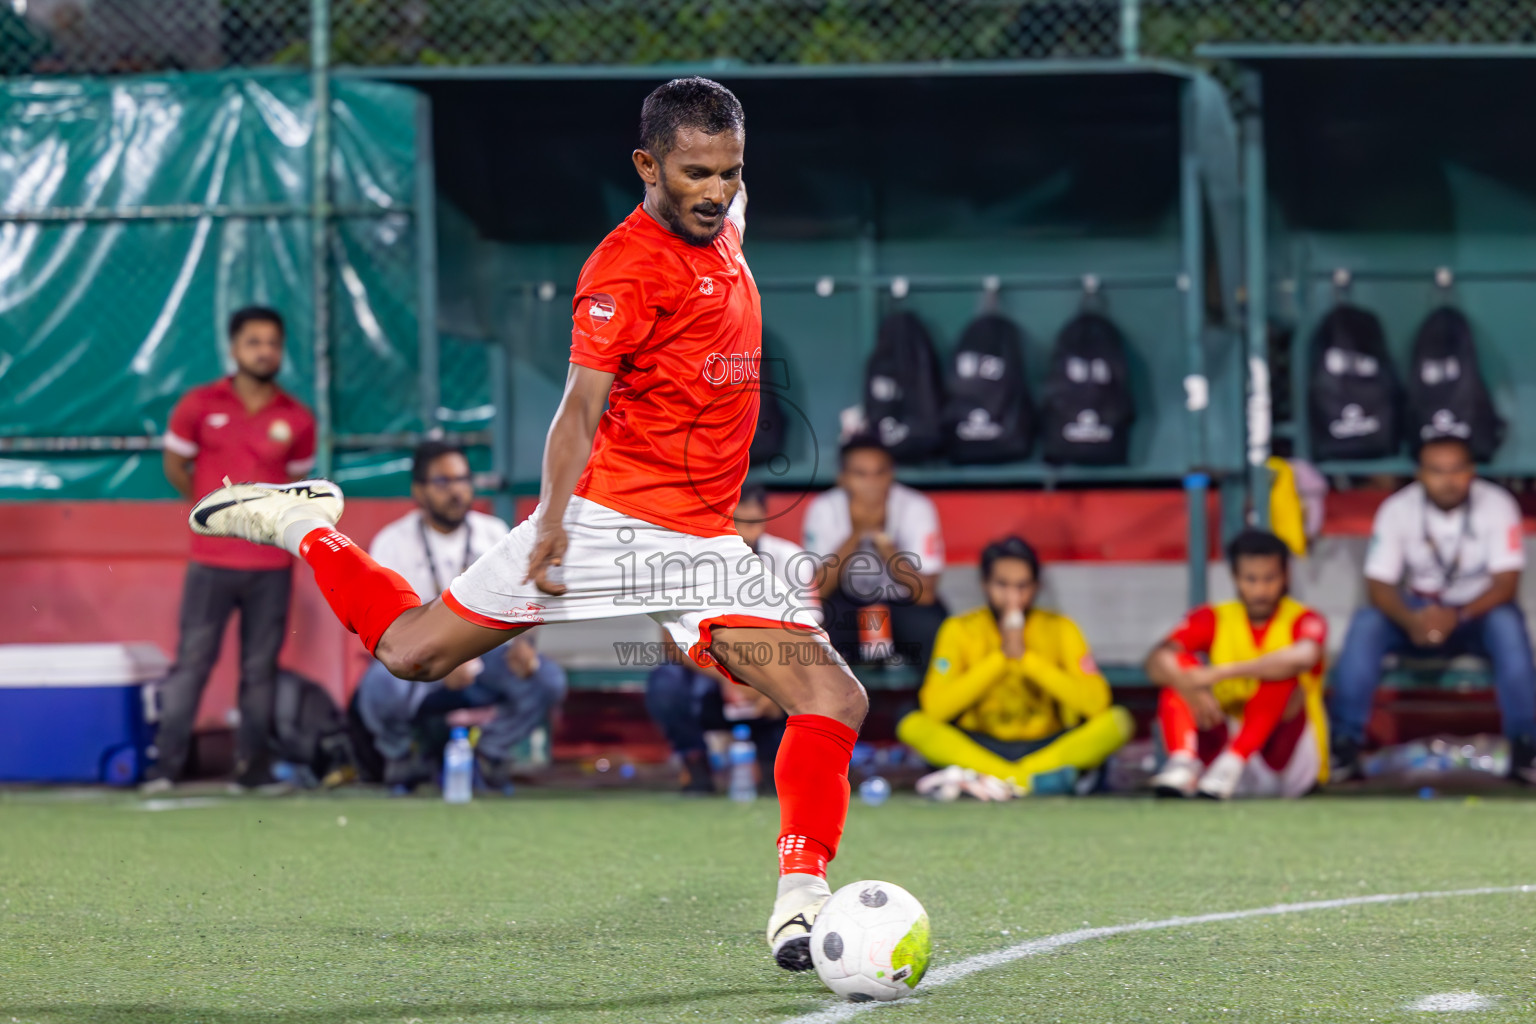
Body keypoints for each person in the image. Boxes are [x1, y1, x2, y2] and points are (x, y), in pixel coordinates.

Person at [187, 77, 864, 973]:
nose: (715, 192)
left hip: (701, 544)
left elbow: (728, 196)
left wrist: (731, 186)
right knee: (413, 653)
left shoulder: (726, 221)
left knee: (834, 697)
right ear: (646, 166)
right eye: (695, 174)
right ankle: (305, 526)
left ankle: (799, 902)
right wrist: (549, 523)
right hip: (604, 523)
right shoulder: (623, 269)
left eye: (730, 174)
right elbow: (578, 409)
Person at [144, 306, 315, 793]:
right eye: (254, 342)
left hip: (271, 565)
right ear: (234, 348)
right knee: (192, 662)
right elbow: (177, 466)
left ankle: (251, 774)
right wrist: (211, 515)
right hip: (210, 562)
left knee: (259, 671)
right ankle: (165, 770)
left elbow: (296, 485)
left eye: (273, 343)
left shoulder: (298, 418)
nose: (265, 351)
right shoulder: (198, 404)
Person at [356, 441, 566, 794]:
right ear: (418, 491)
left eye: (463, 480)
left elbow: (525, 599)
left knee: (546, 679)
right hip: (420, 663)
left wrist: (526, 646)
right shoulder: (391, 543)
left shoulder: (495, 534)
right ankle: (403, 758)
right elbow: (387, 628)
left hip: (486, 657)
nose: (457, 491)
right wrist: (444, 655)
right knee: (378, 684)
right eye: (443, 482)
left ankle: (490, 756)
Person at [1329, 437, 1536, 781]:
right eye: (1437, 471)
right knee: (1368, 622)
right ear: (1420, 475)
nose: (1448, 480)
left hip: (1475, 612)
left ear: (1471, 472)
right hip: (1416, 611)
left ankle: (1527, 746)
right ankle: (1343, 745)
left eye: (1456, 471)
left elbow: (1505, 584)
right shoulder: (1398, 508)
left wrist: (1458, 616)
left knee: (1507, 624)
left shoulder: (1497, 504)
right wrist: (1411, 619)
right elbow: (1379, 585)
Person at [895, 536, 1132, 795]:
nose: (1013, 597)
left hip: (1045, 742)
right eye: (1002, 585)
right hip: (982, 742)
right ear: (985, 584)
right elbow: (935, 709)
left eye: (1022, 586)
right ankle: (1029, 781)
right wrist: (1001, 658)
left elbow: (1097, 703)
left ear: (1036, 586)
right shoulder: (960, 629)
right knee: (912, 723)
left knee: (1118, 722)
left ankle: (1007, 780)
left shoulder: (1061, 628)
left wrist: (1027, 659)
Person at [645, 484, 821, 794]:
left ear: (765, 520)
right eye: (735, 521)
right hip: (710, 674)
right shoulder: (686, 561)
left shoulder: (791, 559)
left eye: (752, 522)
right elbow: (672, 643)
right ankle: (695, 763)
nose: (743, 532)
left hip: (771, 676)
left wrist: (771, 688)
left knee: (815, 672)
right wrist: (727, 677)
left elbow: (806, 639)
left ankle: (776, 764)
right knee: (666, 681)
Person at [1145, 529, 1329, 800]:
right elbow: (1156, 661)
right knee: (1179, 668)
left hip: (1283, 759)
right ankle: (1183, 762)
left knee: (1282, 676)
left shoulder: (1305, 618)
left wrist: (1219, 673)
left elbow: (1304, 657)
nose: (1261, 590)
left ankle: (1234, 760)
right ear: (1235, 578)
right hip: (1220, 763)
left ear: (1285, 576)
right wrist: (1188, 683)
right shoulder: (1214, 617)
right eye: (1250, 579)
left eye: (1270, 578)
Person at [802, 434, 947, 668]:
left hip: (900, 604)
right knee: (812, 630)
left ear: (891, 475)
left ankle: (931, 703)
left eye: (880, 473)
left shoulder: (916, 506)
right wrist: (857, 533)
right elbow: (816, 593)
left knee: (935, 628)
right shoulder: (824, 508)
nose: (872, 483)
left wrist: (884, 543)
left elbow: (926, 594)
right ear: (843, 478)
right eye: (860, 474)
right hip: (845, 605)